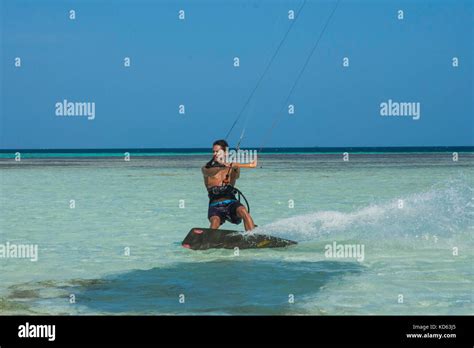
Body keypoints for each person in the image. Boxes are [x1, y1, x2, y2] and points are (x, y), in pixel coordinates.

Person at [201, 139, 257, 231]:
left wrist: (234, 167)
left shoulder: (232, 167)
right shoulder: (206, 168)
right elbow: (210, 172)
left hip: (231, 203)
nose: (215, 154)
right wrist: (223, 165)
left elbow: (236, 176)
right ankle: (208, 240)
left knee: (243, 211)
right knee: (215, 221)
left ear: (226, 153)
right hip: (215, 205)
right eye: (213, 151)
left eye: (217, 151)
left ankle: (252, 236)